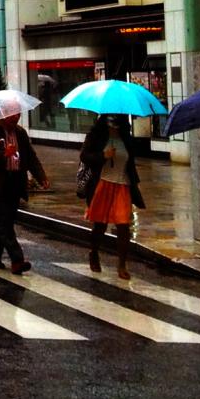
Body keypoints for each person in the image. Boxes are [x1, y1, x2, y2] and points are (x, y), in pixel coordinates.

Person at [0, 115, 46, 273]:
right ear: (4, 114)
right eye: (12, 116)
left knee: (7, 221)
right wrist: (3, 154)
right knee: (4, 221)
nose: (15, 119)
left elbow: (31, 157)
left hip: (15, 181)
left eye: (18, 115)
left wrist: (41, 177)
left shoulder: (20, 133)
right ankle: (17, 260)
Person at [81, 114, 142, 280]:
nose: (113, 123)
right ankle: (94, 252)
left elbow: (131, 161)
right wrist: (103, 156)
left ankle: (122, 264)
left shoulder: (125, 137)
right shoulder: (96, 135)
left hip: (122, 185)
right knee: (100, 224)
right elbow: (84, 156)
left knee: (123, 225)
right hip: (102, 184)